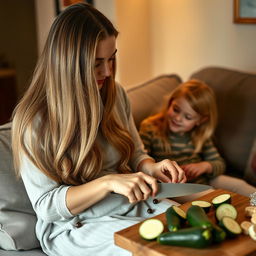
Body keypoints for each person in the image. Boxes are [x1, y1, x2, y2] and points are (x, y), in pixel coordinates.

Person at [11, 3, 186, 256]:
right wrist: (108, 183)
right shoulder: (33, 120)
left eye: (112, 58)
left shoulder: (116, 96)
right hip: (74, 227)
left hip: (130, 205)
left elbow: (136, 153)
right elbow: (47, 206)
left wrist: (152, 167)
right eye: (96, 63)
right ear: (67, 62)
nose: (108, 72)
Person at [139, 79, 256, 199]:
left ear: (201, 120)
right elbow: (141, 160)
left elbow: (219, 163)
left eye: (188, 117)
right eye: (176, 109)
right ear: (170, 103)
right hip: (174, 187)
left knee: (239, 185)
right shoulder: (150, 127)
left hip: (204, 180)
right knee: (209, 196)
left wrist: (204, 166)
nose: (178, 118)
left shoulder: (199, 134)